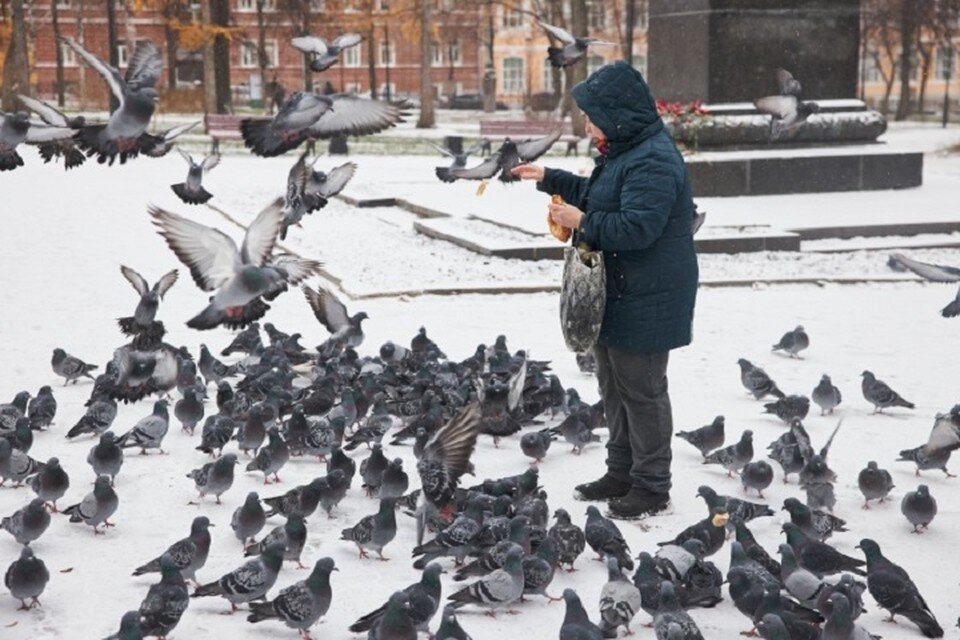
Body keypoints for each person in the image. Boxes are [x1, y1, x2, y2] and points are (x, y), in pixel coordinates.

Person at [512, 61, 699, 520]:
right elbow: (602, 194)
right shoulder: (625, 152)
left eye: (593, 113)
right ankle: (621, 472)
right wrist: (550, 179)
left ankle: (652, 486)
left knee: (643, 391)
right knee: (613, 387)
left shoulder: (652, 159)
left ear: (617, 113)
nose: (587, 122)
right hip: (616, 292)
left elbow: (637, 228)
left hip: (648, 295)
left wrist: (583, 222)